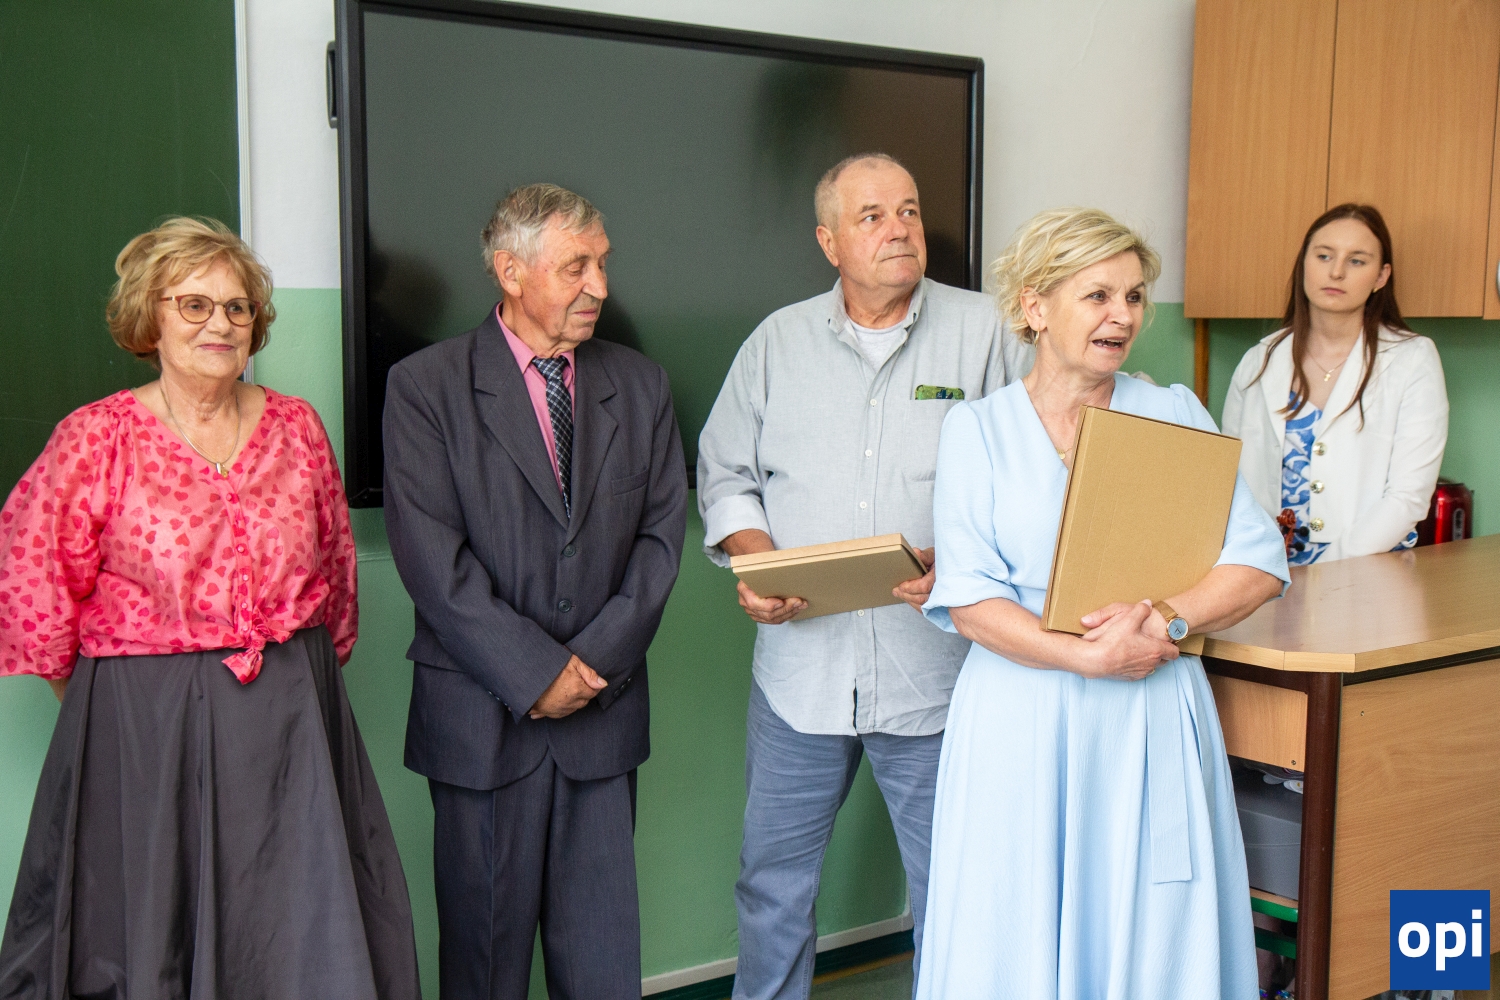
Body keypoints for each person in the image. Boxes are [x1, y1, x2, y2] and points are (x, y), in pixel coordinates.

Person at [0, 217, 419, 999]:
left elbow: (335, 572)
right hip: (144, 726)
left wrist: (296, 683)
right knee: (147, 931)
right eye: (193, 305)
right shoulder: (94, 439)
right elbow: (36, 587)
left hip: (289, 720)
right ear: (149, 317)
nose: (219, 324)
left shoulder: (297, 427)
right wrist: (118, 710)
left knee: (292, 927)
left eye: (236, 307)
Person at [915, 207, 1289, 999]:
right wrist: (1085, 658)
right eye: (1098, 296)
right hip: (1022, 716)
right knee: (1015, 919)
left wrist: (1165, 618)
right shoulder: (976, 431)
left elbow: (1256, 561)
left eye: (1134, 296)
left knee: (1151, 927)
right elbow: (971, 599)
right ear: (1035, 305)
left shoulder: (1175, 413)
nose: (1122, 315)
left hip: (1150, 708)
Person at [697, 152, 1031, 1000]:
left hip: (938, 677)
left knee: (954, 891)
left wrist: (962, 560)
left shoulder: (989, 333)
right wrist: (756, 560)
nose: (899, 229)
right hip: (799, 679)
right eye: (873, 215)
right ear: (829, 242)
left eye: (909, 211)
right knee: (771, 887)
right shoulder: (775, 343)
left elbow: (1038, 474)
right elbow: (726, 473)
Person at [382, 183, 687, 1000]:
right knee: (483, 966)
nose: (600, 287)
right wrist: (535, 674)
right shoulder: (425, 387)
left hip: (602, 712)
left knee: (602, 965)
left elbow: (661, 543)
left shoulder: (642, 385)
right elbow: (432, 562)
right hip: (480, 720)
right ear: (510, 270)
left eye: (603, 264)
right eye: (577, 266)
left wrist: (589, 665)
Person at [1222, 203, 1448, 564]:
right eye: (1324, 256)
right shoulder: (1259, 360)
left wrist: (1330, 568)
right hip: (1267, 569)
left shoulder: (1412, 360)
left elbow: (1408, 496)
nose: (1337, 271)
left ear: (1381, 276)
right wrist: (1262, 567)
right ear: (1304, 263)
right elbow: (1231, 480)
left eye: (1356, 261)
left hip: (1368, 568)